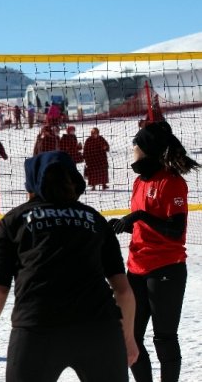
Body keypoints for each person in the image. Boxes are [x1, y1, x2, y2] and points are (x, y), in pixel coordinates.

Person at [0, 151, 138, 381]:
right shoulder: (95, 219)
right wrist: (127, 338)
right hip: (98, 329)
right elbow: (123, 290)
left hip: (38, 328)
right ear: (74, 182)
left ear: (31, 184)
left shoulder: (14, 220)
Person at [108, 121, 199, 382]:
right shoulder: (139, 182)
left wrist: (139, 216)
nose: (131, 150)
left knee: (164, 338)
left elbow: (175, 231)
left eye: (134, 145)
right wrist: (124, 225)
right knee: (129, 337)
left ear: (146, 149)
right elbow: (147, 226)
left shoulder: (172, 182)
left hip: (166, 268)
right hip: (136, 267)